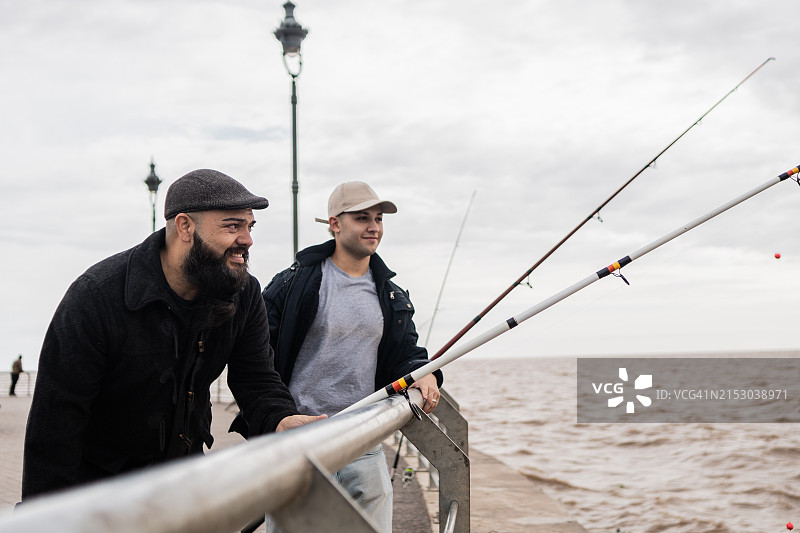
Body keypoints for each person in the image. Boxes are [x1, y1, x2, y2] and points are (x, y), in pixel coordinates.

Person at [22, 169, 323, 500]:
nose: (247, 239)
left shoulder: (243, 293)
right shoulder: (97, 296)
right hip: (100, 496)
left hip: (184, 484)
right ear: (185, 227)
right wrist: (46, 516)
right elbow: (55, 425)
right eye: (232, 226)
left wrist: (281, 419)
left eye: (249, 227)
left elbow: (256, 378)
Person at [238, 181, 443, 532]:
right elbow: (255, 356)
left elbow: (406, 353)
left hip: (364, 439)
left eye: (378, 218)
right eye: (362, 218)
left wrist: (424, 372)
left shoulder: (391, 294)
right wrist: (274, 418)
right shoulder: (291, 283)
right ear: (335, 224)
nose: (374, 227)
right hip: (301, 441)